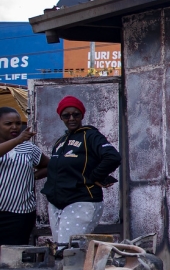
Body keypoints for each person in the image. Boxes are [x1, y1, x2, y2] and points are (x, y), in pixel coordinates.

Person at [41, 96, 121, 251]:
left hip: (81, 200)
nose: (71, 118)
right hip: (57, 203)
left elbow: (113, 156)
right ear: (61, 117)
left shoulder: (90, 135)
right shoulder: (60, 141)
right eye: (66, 115)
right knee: (61, 251)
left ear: (82, 115)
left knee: (69, 251)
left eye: (76, 114)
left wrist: (95, 177)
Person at [0, 107, 47, 245]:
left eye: (18, 123)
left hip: (20, 214)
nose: (14, 127)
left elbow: (51, 166)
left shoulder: (28, 148)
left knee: (14, 257)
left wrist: (32, 176)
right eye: (8, 124)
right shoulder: (18, 142)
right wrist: (18, 140)